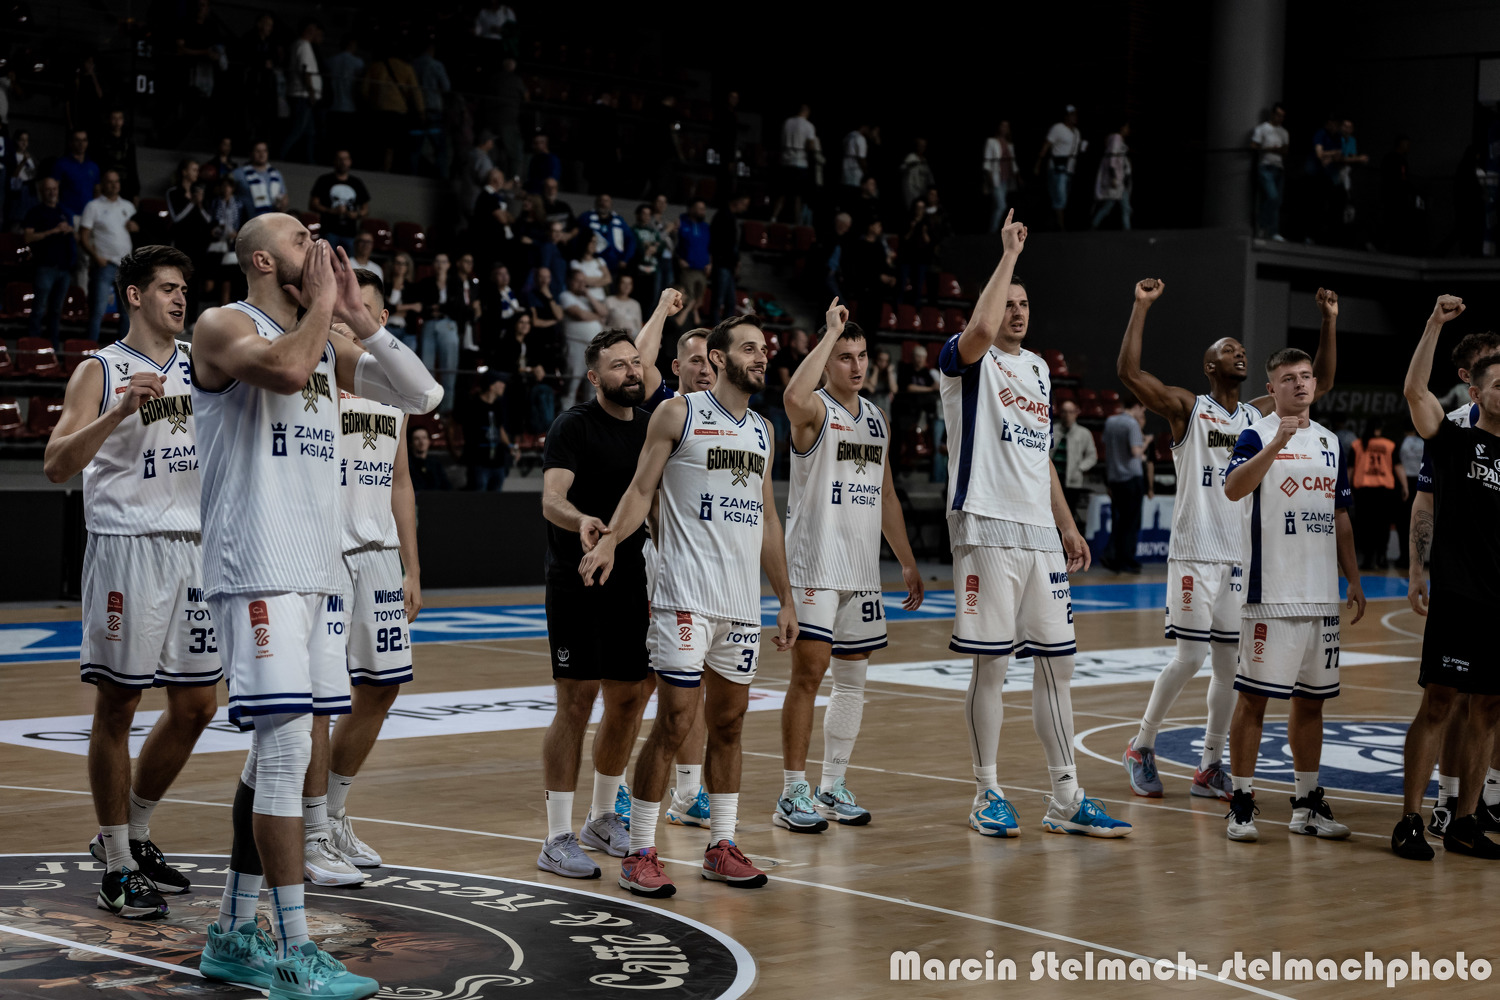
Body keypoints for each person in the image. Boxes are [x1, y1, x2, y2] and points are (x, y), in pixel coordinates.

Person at [190, 216, 439, 989]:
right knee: (286, 754)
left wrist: (364, 320)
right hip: (257, 569)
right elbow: (288, 371)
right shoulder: (223, 325)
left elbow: (422, 395)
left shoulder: (330, 340)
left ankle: (233, 933)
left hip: (319, 572)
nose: (321, 249)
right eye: (304, 238)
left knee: (275, 754)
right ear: (265, 259)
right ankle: (295, 951)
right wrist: (328, 309)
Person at [579, 314, 799, 898]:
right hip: (684, 596)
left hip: (740, 604)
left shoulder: (763, 429)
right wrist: (610, 543)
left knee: (729, 724)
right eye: (749, 348)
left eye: (764, 348)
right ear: (720, 359)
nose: (762, 356)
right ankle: (640, 852)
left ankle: (721, 845)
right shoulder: (679, 414)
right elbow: (640, 490)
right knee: (675, 721)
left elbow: (768, 519)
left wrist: (785, 599)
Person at [938, 211, 1130, 839]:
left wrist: (1067, 525)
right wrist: (1009, 256)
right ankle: (986, 791)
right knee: (992, 667)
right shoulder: (964, 361)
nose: (1017, 312)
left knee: (1057, 666)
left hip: (1038, 532)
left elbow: (1038, 455)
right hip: (985, 524)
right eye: (1008, 303)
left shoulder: (1041, 370)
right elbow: (981, 328)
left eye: (1024, 304)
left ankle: (1067, 797)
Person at [42, 246, 219, 920]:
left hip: (195, 549)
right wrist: (117, 412)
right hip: (127, 548)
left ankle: (133, 832)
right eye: (168, 288)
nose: (181, 298)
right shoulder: (100, 369)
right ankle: (116, 865)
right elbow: (57, 463)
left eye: (185, 288)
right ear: (135, 295)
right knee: (118, 706)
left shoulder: (204, 365)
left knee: (197, 706)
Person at [1117, 280, 1338, 800]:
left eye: (1242, 349)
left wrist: (1329, 320)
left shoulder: (1258, 415)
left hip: (1240, 557)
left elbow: (1321, 382)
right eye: (1228, 350)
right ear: (1209, 366)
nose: (1239, 352)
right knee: (1190, 658)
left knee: (1228, 668)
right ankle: (1141, 744)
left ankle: (1210, 764)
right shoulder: (1187, 408)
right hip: (1195, 551)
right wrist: (1141, 307)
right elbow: (1129, 374)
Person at [537, 294, 683, 878]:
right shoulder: (573, 425)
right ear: (595, 377)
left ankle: (601, 817)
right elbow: (551, 499)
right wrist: (581, 521)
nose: (631, 371)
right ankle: (555, 836)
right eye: (618, 366)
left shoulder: (652, 428)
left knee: (629, 697)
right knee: (576, 701)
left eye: (635, 363)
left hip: (631, 579)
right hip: (575, 580)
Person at [777, 305, 924, 831]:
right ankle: (792, 792)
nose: (856, 365)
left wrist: (906, 561)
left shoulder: (877, 417)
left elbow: (886, 494)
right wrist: (830, 333)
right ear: (827, 361)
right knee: (809, 676)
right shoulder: (813, 410)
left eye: (861, 356)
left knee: (853, 681)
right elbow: (790, 397)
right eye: (845, 357)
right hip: (815, 564)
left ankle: (832, 786)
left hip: (861, 570)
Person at [1221, 348, 1364, 843]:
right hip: (1272, 594)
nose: (1300, 384)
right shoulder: (1255, 434)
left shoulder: (1330, 441)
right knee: (1254, 701)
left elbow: (1340, 514)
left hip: (1321, 595)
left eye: (1306, 376)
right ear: (1272, 388)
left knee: (1312, 703)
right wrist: (1276, 445)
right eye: (1289, 378)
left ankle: (1306, 805)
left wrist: (1353, 577)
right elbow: (1233, 488)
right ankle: (1241, 802)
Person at [312, 269, 426, 880]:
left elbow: (401, 481)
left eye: (357, 310)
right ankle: (308, 828)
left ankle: (333, 812)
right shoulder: (312, 373)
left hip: (379, 551)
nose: (344, 318)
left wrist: (412, 566)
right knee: (319, 698)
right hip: (323, 551)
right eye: (336, 310)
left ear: (378, 320)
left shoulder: (391, 389)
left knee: (382, 687)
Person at [1393, 295, 1500, 859]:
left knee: (1489, 709)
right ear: (1476, 394)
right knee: (1438, 703)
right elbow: (1415, 391)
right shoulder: (1455, 440)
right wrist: (1434, 323)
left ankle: (1464, 821)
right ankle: (1410, 819)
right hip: (1459, 597)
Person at [80, 171, 140, 342]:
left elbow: (138, 232)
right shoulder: (93, 206)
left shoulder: (128, 206)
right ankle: (90, 348)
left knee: (127, 313)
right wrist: (95, 256)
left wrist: (136, 228)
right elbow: (83, 237)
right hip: (104, 265)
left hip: (126, 267)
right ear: (102, 184)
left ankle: (125, 352)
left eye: (116, 181)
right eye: (110, 182)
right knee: (98, 311)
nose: (114, 185)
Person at [1100, 394, 1151, 574]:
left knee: (1119, 521)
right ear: (1136, 406)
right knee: (1131, 523)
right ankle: (1125, 559)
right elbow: (1136, 451)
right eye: (1142, 408)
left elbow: (1107, 448)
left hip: (1115, 478)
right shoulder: (1132, 424)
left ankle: (1114, 556)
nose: (1143, 412)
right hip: (1131, 478)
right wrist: (1146, 442)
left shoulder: (1110, 421)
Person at [23, 178, 76, 350]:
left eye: (54, 189)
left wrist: (70, 230)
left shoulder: (64, 212)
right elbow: (28, 237)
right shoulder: (35, 212)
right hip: (45, 267)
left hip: (64, 269)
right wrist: (53, 231)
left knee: (56, 310)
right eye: (48, 189)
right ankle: (32, 345)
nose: (52, 192)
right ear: (42, 191)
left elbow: (76, 237)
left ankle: (53, 347)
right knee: (39, 308)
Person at [412, 253, 463, 412]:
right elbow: (423, 306)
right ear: (433, 265)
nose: (440, 265)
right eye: (437, 261)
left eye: (443, 262)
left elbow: (458, 306)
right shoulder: (426, 282)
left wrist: (438, 308)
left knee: (449, 368)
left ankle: (446, 411)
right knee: (427, 367)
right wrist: (437, 308)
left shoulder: (455, 283)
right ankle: (427, 409)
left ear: (449, 265)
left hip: (448, 324)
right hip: (429, 324)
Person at [1350, 423, 1404, 569]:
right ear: (1378, 429)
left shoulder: (1357, 444)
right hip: (1383, 492)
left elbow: (1350, 469)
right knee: (1383, 526)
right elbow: (1398, 467)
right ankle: (1382, 557)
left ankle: (1367, 559)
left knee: (1365, 526)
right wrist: (1405, 486)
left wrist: (1347, 488)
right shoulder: (1389, 445)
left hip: (1363, 492)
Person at [362, 48, 424, 173]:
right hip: (398, 111)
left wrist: (371, 103)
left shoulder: (376, 67)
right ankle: (390, 170)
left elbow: (364, 90)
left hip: (379, 110)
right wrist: (421, 111)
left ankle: (378, 168)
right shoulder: (406, 68)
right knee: (395, 145)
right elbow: (415, 92)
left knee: (379, 142)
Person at [559, 269, 609, 405]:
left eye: (583, 281)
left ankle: (589, 416)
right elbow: (580, 315)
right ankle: (565, 415)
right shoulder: (565, 295)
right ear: (570, 281)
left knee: (593, 386)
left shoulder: (587, 298)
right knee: (571, 384)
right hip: (575, 344)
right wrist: (598, 317)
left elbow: (604, 312)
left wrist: (588, 294)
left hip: (593, 347)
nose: (581, 284)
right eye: (578, 281)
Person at [458, 372, 515, 490]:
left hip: (498, 463)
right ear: (491, 386)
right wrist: (456, 451)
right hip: (478, 463)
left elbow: (499, 429)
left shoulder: (498, 405)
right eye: (500, 382)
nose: (503, 385)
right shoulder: (472, 404)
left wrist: (510, 446)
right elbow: (454, 425)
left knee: (495, 498)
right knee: (479, 497)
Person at [309, 150, 371, 255]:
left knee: (348, 262)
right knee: (326, 260)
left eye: (345, 159)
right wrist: (331, 211)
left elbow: (365, 209)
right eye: (340, 159)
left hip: (350, 233)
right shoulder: (324, 180)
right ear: (334, 161)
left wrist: (356, 214)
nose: (343, 162)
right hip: (328, 231)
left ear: (350, 161)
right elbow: (313, 204)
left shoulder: (357, 183)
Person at [281, 19, 323, 164]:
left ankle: (310, 160)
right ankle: (280, 156)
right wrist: (311, 92)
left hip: (302, 94)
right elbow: (305, 71)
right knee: (297, 129)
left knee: (310, 131)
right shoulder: (303, 46)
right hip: (302, 94)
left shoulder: (300, 45)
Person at [1035, 106, 1084, 230]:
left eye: (1075, 115)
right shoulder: (1057, 128)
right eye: (1071, 115)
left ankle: (1054, 221)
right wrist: (1038, 164)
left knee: (1063, 196)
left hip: (1070, 168)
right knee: (1060, 196)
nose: (1074, 117)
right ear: (1066, 116)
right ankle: (1060, 226)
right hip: (1057, 167)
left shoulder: (1076, 132)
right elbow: (1046, 145)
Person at [1050, 399, 1097, 526]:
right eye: (1064, 411)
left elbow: (1092, 456)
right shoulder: (1052, 430)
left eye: (1071, 412)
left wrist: (1080, 468)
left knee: (1069, 515)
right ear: (1060, 413)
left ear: (1076, 413)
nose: (1067, 415)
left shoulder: (1084, 433)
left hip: (1072, 480)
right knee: (1051, 513)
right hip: (1052, 479)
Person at [1250, 104, 1289, 240]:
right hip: (1265, 166)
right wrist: (1270, 149)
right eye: (1278, 115)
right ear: (1272, 114)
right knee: (1272, 197)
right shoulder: (1262, 128)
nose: (1280, 118)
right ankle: (1261, 225)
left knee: (1277, 201)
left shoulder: (1284, 132)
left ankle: (1273, 231)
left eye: (1282, 116)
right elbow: (1253, 145)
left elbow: (1285, 150)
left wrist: (1276, 149)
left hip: (1279, 167)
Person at [773, 104, 817, 224]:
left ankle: (773, 217)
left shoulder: (787, 122)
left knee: (782, 193)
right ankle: (797, 222)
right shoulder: (808, 126)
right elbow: (810, 145)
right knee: (798, 196)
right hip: (799, 162)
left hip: (785, 160)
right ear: (807, 111)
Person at [709, 194, 748, 323]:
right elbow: (719, 243)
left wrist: (736, 262)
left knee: (731, 301)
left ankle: (728, 329)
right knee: (718, 299)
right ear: (736, 202)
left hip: (729, 265)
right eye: (744, 204)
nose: (745, 208)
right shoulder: (722, 216)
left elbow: (733, 244)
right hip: (722, 263)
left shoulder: (732, 217)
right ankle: (716, 327)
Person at [578, 193, 638, 275]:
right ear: (596, 203)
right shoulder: (586, 217)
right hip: (593, 262)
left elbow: (630, 240)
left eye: (606, 201)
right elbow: (577, 237)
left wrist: (625, 259)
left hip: (614, 263)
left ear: (611, 204)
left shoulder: (619, 220)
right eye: (601, 200)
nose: (603, 203)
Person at [53, 129, 101, 226]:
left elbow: (97, 191)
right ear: (71, 143)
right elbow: (53, 189)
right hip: (69, 215)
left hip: (89, 216)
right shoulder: (61, 164)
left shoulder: (93, 166)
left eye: (84, 140)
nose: (81, 144)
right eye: (77, 140)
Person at [230, 142, 289, 218]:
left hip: (273, 218)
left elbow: (284, 195)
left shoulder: (276, 174)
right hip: (249, 220)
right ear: (251, 153)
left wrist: (283, 203)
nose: (262, 155)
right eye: (258, 151)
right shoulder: (239, 173)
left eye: (264, 151)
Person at [1091, 124, 1132, 229]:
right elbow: (1112, 159)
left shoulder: (1120, 140)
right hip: (1116, 178)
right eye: (1126, 127)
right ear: (1121, 127)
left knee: (1122, 206)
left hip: (1121, 178)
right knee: (1109, 206)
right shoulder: (1116, 137)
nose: (1128, 130)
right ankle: (1094, 225)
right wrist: (1113, 177)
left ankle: (1127, 229)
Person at [677, 200, 711, 326]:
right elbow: (674, 243)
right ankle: (683, 327)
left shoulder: (706, 227)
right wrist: (678, 258)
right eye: (699, 208)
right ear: (691, 209)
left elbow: (710, 247)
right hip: (688, 269)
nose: (703, 211)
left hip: (702, 269)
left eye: (704, 209)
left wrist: (710, 263)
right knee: (687, 299)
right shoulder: (681, 223)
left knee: (698, 301)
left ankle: (695, 326)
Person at [98, 110, 142, 202]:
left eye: (120, 118)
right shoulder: (102, 140)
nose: (117, 122)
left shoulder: (128, 141)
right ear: (109, 120)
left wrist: (135, 191)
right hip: (108, 181)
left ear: (123, 120)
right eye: (114, 118)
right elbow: (100, 164)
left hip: (125, 183)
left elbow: (132, 165)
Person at [983, 121, 1018, 235]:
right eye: (1002, 126)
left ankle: (994, 230)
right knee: (1001, 205)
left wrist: (1018, 177)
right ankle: (992, 231)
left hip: (1006, 179)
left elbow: (1012, 163)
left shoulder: (1009, 144)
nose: (1004, 128)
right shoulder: (992, 142)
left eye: (1007, 126)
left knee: (997, 205)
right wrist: (989, 180)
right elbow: (987, 163)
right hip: (996, 178)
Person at [384, 252, 419, 350]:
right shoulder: (385, 285)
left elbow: (417, 309)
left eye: (404, 264)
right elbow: (385, 309)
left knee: (407, 359)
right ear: (393, 265)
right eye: (398, 263)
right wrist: (408, 307)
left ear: (408, 267)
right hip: (387, 329)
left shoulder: (412, 287)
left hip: (407, 331)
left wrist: (394, 308)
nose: (400, 266)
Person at [408, 425, 451, 490]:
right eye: (417, 439)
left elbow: (446, 485)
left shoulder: (435, 463)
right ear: (411, 443)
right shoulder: (407, 464)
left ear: (429, 441)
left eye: (424, 438)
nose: (421, 442)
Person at [900, 138, 936, 209]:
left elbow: (929, 176)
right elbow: (901, 169)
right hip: (912, 190)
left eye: (924, 146)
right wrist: (909, 165)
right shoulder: (911, 157)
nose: (922, 148)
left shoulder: (924, 160)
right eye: (920, 145)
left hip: (922, 190)